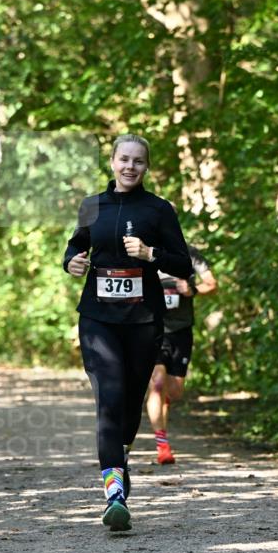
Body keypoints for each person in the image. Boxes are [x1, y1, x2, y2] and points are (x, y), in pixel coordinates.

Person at [64, 134, 192, 531]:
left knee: (131, 406)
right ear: (112, 162)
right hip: (98, 320)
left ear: (146, 167)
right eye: (124, 159)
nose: (130, 167)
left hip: (143, 321)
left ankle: (119, 457)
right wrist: (72, 262)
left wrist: (151, 255)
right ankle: (114, 495)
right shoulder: (92, 206)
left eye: (138, 161)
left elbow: (184, 264)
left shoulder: (158, 210)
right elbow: (75, 246)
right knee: (110, 399)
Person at [147, 245, 217, 464]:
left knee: (174, 391)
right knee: (157, 383)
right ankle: (162, 446)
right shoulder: (141, 251)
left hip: (181, 331)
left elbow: (212, 285)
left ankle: (161, 405)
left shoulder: (189, 253)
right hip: (152, 328)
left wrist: (191, 289)